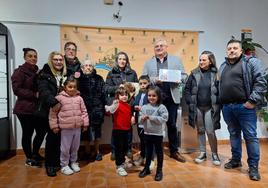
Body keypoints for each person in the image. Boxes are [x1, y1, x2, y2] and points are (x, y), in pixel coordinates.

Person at [219, 39, 267, 181]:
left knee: (250, 136)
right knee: (233, 134)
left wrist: (252, 101)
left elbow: (261, 81)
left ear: (241, 50)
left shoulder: (251, 62)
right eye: (229, 48)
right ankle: (235, 160)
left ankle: (253, 167)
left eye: (235, 48)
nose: (232, 50)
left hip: (245, 107)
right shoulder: (223, 65)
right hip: (227, 107)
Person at [142, 38, 185, 162]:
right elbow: (144, 79)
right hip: (155, 99)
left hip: (172, 97)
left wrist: (179, 79)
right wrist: (155, 80)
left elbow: (184, 75)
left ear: (166, 47)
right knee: (154, 124)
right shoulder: (148, 63)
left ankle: (174, 151)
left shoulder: (176, 60)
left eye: (161, 46)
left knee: (171, 125)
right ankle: (154, 151)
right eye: (156, 46)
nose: (159, 48)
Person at [184, 51, 221, 165]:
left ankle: (214, 154)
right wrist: (190, 101)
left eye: (204, 60)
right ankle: (202, 153)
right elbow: (187, 90)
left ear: (210, 61)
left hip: (211, 108)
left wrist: (219, 103)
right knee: (200, 131)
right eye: (200, 60)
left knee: (210, 131)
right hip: (197, 108)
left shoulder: (217, 74)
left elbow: (221, 91)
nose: (201, 62)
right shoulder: (193, 73)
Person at [11, 48, 46, 167]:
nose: (33, 58)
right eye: (30, 56)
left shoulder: (38, 71)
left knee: (41, 131)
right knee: (27, 133)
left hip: (37, 108)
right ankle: (29, 158)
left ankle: (35, 153)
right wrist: (34, 94)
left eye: (35, 56)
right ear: (25, 57)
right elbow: (16, 90)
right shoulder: (19, 72)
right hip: (24, 109)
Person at [49, 77, 89, 175]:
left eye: (74, 87)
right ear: (65, 87)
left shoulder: (79, 98)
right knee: (65, 148)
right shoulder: (59, 98)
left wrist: (85, 123)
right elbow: (52, 114)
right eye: (70, 87)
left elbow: (84, 112)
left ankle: (74, 162)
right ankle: (64, 165)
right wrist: (54, 126)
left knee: (75, 147)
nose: (72, 89)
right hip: (65, 129)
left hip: (77, 128)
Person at [37, 51, 67, 177]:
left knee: (60, 139)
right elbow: (43, 91)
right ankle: (50, 165)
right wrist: (54, 103)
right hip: (49, 110)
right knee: (51, 139)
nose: (59, 62)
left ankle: (56, 162)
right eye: (56, 60)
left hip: (63, 112)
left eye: (60, 60)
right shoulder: (44, 74)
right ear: (51, 60)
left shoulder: (66, 74)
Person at [105, 51, 138, 160]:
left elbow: (136, 89)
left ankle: (128, 149)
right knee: (117, 128)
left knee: (129, 128)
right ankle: (115, 150)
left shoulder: (132, 73)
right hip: (117, 105)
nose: (122, 61)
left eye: (124, 59)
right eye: (120, 59)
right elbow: (106, 88)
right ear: (116, 60)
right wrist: (118, 87)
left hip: (129, 104)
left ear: (127, 61)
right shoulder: (111, 73)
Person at [138, 86, 168, 181]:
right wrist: (141, 119)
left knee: (159, 152)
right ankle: (146, 168)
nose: (151, 97)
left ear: (158, 96)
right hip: (147, 133)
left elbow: (164, 119)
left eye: (154, 95)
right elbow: (139, 120)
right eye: (149, 95)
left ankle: (159, 170)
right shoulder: (144, 107)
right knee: (148, 152)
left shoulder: (161, 107)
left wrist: (151, 117)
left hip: (158, 135)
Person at [79, 59, 106, 161]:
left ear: (93, 67)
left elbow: (103, 94)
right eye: (86, 65)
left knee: (97, 132)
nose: (88, 67)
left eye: (90, 65)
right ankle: (87, 151)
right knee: (85, 132)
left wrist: (104, 108)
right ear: (82, 68)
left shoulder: (99, 79)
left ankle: (97, 151)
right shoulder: (79, 80)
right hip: (84, 110)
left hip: (97, 110)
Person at [105, 87, 135, 177]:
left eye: (126, 94)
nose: (124, 96)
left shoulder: (128, 105)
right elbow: (109, 111)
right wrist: (110, 107)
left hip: (127, 130)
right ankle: (119, 166)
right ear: (117, 96)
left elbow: (130, 115)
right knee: (119, 149)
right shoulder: (117, 104)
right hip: (118, 131)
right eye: (122, 95)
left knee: (125, 147)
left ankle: (122, 163)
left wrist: (132, 117)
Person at [133, 75, 155, 170]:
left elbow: (153, 105)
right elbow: (135, 103)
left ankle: (151, 159)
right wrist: (135, 108)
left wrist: (142, 108)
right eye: (140, 83)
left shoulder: (151, 94)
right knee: (142, 139)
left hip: (148, 121)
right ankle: (142, 156)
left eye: (144, 83)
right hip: (140, 120)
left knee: (149, 140)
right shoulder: (138, 93)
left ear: (149, 83)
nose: (142, 85)